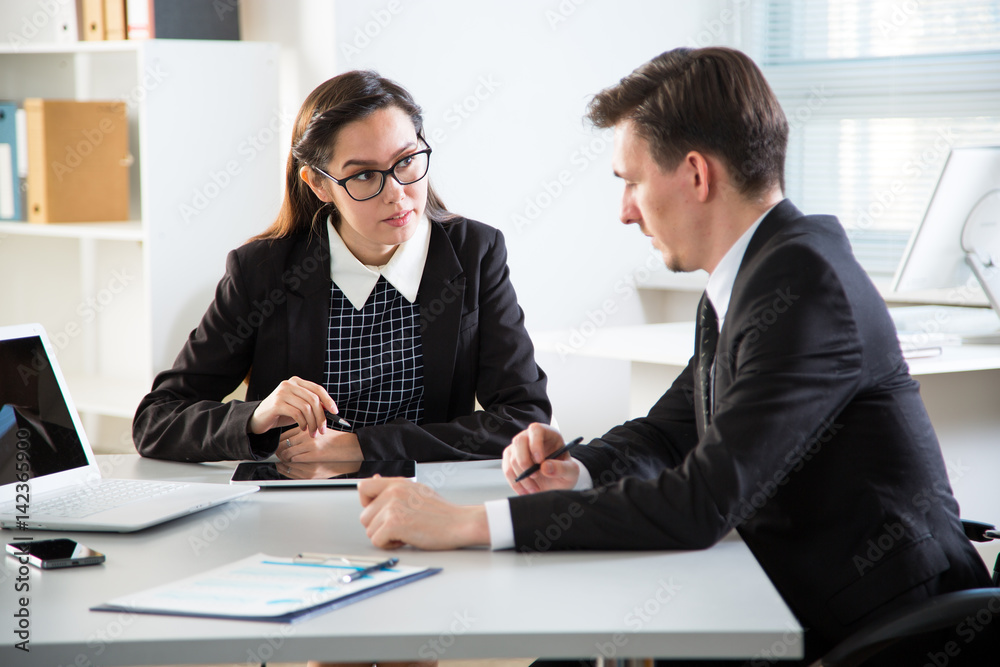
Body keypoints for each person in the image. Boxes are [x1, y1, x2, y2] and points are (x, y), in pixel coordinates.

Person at [356, 47, 996, 665]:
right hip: (783, 595)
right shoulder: (750, 277)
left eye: (632, 182)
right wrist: (572, 470)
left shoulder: (804, 285)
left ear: (695, 174)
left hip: (876, 626)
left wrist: (470, 523)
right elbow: (667, 432)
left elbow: (701, 504)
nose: (625, 211)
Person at [132, 70, 550, 465]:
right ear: (319, 184)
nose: (397, 194)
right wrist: (256, 417)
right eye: (365, 175)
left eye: (406, 161)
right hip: (292, 507)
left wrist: (362, 447)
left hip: (421, 497)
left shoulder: (475, 251)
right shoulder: (262, 270)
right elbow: (156, 421)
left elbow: (523, 418)